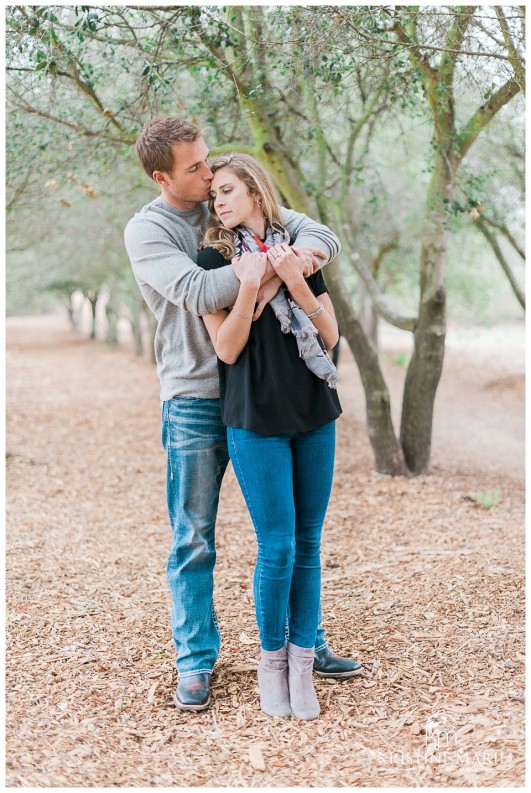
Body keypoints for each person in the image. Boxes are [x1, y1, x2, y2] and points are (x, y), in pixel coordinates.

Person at [123, 116, 361, 712]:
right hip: (197, 395)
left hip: (268, 393)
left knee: (290, 534)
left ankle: (307, 644)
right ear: (162, 176)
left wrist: (302, 253)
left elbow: (319, 235)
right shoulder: (151, 230)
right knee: (195, 535)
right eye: (196, 168)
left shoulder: (229, 206)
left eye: (209, 163)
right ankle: (196, 660)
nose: (207, 176)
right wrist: (266, 266)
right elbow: (204, 294)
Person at [197, 153, 344, 720]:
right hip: (253, 414)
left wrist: (291, 279)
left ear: (257, 194)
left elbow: (328, 335)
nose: (221, 201)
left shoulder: (300, 254)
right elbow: (227, 349)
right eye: (216, 196)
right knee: (277, 543)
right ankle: (272, 664)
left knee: (309, 542)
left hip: (312, 408)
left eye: (229, 190)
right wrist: (252, 288)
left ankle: (304, 664)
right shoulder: (213, 261)